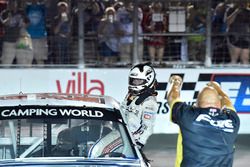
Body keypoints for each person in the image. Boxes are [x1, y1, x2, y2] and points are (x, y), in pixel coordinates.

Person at [167, 75, 240, 167]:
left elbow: (172, 98)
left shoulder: (188, 116)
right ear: (219, 104)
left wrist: (176, 81)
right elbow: (227, 101)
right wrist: (218, 89)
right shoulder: (233, 120)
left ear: (196, 104)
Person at [120, 62, 158, 165]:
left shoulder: (149, 102)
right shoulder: (130, 95)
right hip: (121, 134)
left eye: (138, 81)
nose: (135, 83)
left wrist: (137, 144)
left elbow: (147, 127)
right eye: (133, 80)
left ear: (148, 80)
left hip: (130, 140)